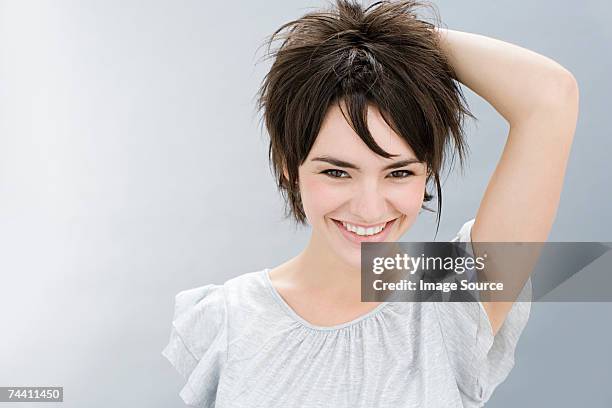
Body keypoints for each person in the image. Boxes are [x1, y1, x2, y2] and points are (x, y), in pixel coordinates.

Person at [162, 1, 579, 406]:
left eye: (399, 173)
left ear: (427, 172)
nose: (368, 208)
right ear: (291, 166)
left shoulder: (455, 298)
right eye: (337, 172)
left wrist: (385, 43)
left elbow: (550, 96)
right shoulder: (227, 318)